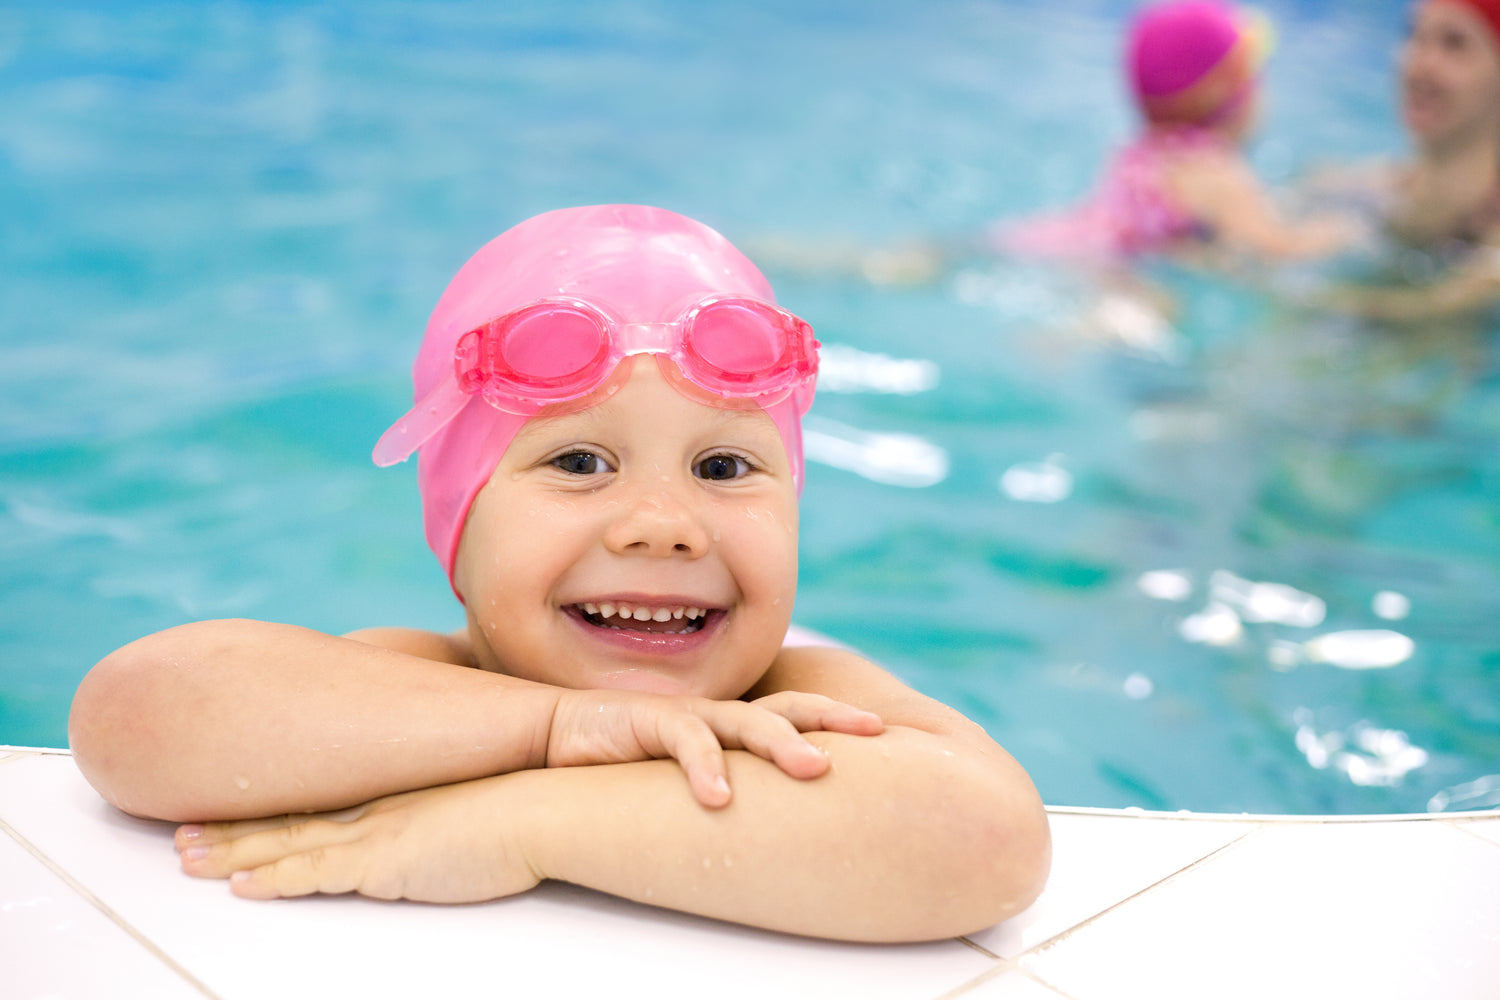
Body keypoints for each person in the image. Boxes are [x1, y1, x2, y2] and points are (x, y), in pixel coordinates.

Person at [68, 204, 1051, 943]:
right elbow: (131, 719)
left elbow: (987, 843)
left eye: (723, 467)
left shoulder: (798, 693)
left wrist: (521, 824)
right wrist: (555, 727)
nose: (665, 527)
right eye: (580, 462)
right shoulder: (422, 685)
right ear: (459, 525)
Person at [995, 0, 1354, 263]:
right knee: (1145, 310)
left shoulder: (1144, 150)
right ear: (1231, 91)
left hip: (1075, 237)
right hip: (1127, 263)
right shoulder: (1216, 170)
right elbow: (1271, 248)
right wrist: (1335, 234)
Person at [1308, 0, 1500, 321]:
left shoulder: (1492, 244)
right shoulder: (1360, 186)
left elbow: (1424, 314)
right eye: (1414, 36)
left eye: (1454, 44)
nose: (1421, 63)